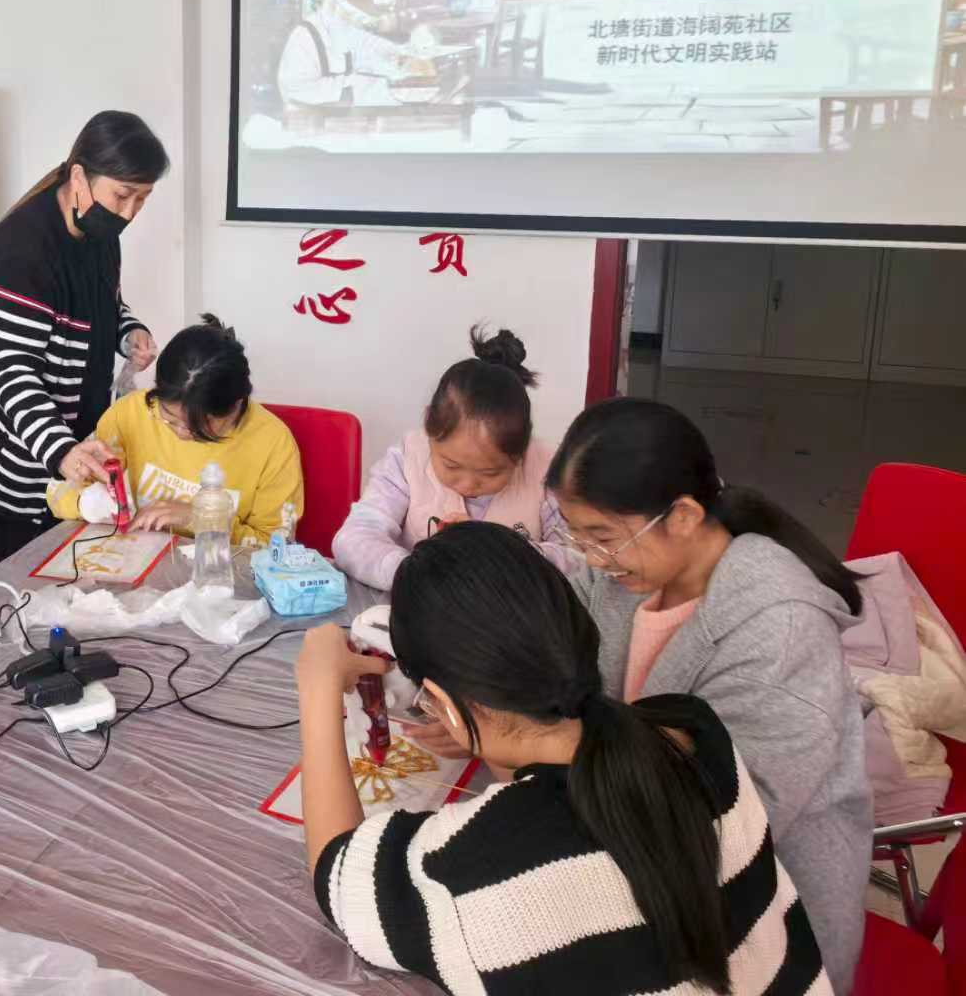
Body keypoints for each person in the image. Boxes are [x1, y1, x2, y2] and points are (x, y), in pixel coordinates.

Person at [297, 523, 827, 994]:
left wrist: (317, 687)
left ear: (446, 704)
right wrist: (479, 726)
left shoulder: (468, 871)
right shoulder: (693, 730)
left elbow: (336, 874)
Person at [545, 397, 870, 992]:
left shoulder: (780, 627)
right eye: (577, 535)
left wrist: (542, 743)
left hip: (758, 910)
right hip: (637, 841)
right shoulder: (625, 570)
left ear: (684, 515)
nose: (589, 556)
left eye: (601, 536)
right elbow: (556, 645)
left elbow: (727, 822)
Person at [0, 110, 169, 567]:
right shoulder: (20, 252)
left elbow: (105, 303)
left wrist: (129, 332)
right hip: (8, 454)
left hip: (66, 442)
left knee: (74, 575)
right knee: (27, 588)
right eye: (123, 195)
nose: (129, 213)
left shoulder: (100, 232)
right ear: (79, 177)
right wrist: (60, 450)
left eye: (142, 199)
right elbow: (12, 372)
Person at [332, 326, 571, 589]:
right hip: (418, 604)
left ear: (522, 452)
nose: (468, 485)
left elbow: (577, 560)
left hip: (510, 612)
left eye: (491, 473)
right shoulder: (408, 458)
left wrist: (496, 550)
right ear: (428, 426)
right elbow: (353, 540)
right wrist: (414, 572)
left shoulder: (547, 470)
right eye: (451, 465)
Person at [45, 314, 303, 543]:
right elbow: (57, 494)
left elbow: (277, 546)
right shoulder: (130, 414)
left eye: (199, 428)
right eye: (169, 418)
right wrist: (86, 502)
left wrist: (202, 519)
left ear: (236, 404)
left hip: (217, 576)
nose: (181, 433)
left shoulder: (272, 442)